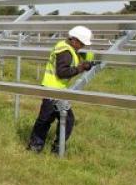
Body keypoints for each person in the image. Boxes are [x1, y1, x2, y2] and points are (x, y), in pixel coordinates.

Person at [27, 25, 95, 153]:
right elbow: (62, 72)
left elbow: (78, 56)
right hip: (52, 89)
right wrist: (81, 68)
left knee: (61, 119)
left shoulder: (66, 46)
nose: (83, 47)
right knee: (47, 119)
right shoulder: (65, 52)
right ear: (74, 40)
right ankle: (38, 146)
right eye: (82, 44)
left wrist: (88, 57)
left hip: (56, 89)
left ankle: (52, 147)